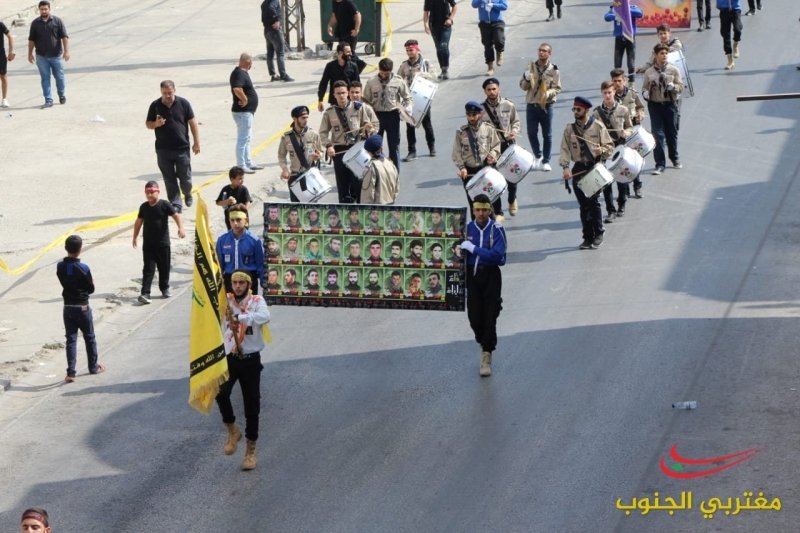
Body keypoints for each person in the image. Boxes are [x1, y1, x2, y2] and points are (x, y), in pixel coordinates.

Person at [217, 270, 270, 471]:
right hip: (231, 358)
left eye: (241, 283)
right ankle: (232, 429)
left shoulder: (257, 301)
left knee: (252, 405)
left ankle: (250, 449)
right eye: (235, 283)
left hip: (250, 360)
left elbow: (265, 316)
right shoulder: (226, 301)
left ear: (248, 284)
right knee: (221, 392)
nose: (238, 286)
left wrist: (241, 317)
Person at [458, 194, 507, 377]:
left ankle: (487, 354)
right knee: (474, 317)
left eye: (484, 210)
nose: (480, 213)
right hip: (472, 276)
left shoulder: (496, 229)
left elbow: (498, 256)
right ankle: (482, 339)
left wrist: (474, 249)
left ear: (489, 210)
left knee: (490, 315)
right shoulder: (466, 229)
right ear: (473, 210)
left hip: (491, 275)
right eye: (477, 210)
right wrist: (459, 250)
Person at [559, 96, 614, 249]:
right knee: (583, 206)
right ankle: (587, 237)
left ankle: (599, 233)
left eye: (579, 109)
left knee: (593, 202)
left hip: (593, 167)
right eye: (574, 109)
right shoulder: (569, 129)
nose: (575, 112)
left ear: (586, 110)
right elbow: (564, 149)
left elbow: (610, 147)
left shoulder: (598, 126)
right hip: (578, 168)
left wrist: (602, 150)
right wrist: (565, 167)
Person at [145, 80, 201, 212]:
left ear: (174, 90)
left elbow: (192, 123)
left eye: (170, 93)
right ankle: (176, 203)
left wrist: (196, 142)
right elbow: (148, 124)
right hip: (163, 149)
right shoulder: (155, 105)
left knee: (185, 178)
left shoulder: (184, 103)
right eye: (164, 93)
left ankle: (187, 193)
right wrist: (156, 124)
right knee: (169, 179)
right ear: (161, 92)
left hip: (182, 148)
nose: (167, 96)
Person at [57, 235, 105, 383]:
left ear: (66, 248)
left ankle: (71, 372)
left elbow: (65, 279)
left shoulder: (60, 266)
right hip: (82, 306)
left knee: (71, 339)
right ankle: (93, 366)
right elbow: (91, 289)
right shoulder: (84, 268)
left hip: (68, 307)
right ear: (80, 250)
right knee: (89, 337)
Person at [319, 80, 376, 203]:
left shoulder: (359, 108)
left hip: (357, 150)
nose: (341, 96)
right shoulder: (329, 113)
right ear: (334, 95)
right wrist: (328, 146)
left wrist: (369, 129)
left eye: (343, 93)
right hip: (339, 151)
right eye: (338, 93)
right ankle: (345, 211)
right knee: (343, 186)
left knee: (359, 184)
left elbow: (368, 126)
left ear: (348, 93)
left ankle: (360, 209)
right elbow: (323, 133)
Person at [132, 181, 186, 303]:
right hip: (148, 244)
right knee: (148, 269)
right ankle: (145, 293)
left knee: (164, 267)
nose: (149, 195)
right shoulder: (144, 207)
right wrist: (135, 237)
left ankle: (164, 288)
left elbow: (176, 215)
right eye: (147, 192)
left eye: (152, 192)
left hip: (163, 244)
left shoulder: (164, 204)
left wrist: (181, 228)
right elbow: (139, 221)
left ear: (158, 192)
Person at [452, 100, 503, 218]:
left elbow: (496, 145)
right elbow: (456, 153)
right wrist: (462, 167)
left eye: (474, 115)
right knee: (474, 204)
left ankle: (495, 220)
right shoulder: (461, 132)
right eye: (469, 115)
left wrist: (493, 155)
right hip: (469, 172)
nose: (471, 118)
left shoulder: (488, 128)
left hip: (485, 169)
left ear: (480, 114)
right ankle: (477, 226)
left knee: (491, 199)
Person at [481, 77, 521, 216]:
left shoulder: (508, 105)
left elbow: (515, 121)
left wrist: (514, 131)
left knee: (512, 176)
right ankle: (498, 212)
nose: (492, 92)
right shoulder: (480, 110)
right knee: (492, 180)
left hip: (507, 145)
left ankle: (512, 199)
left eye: (494, 89)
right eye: (489, 90)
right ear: (485, 91)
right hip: (491, 149)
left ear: (499, 89)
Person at [593, 80, 633, 220]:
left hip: (619, 147)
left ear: (614, 92)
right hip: (605, 149)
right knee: (606, 181)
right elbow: (593, 132)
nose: (607, 95)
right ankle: (611, 210)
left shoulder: (623, 110)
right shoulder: (596, 113)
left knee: (621, 178)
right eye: (605, 93)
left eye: (610, 92)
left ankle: (621, 204)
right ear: (601, 93)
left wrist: (626, 132)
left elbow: (630, 127)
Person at [363, 58, 412, 171]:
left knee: (394, 146)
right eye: (382, 73)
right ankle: (377, 171)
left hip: (392, 116)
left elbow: (407, 97)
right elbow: (366, 100)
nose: (384, 75)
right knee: (375, 146)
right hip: (376, 116)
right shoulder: (371, 82)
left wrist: (408, 107)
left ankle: (395, 173)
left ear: (391, 71)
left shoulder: (398, 81)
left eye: (387, 73)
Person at [641, 43, 683, 175]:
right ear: (655, 55)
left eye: (666, 53)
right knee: (657, 135)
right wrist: (645, 93)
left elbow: (681, 86)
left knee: (671, 133)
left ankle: (674, 157)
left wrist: (674, 87)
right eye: (661, 53)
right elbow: (644, 87)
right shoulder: (649, 72)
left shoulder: (673, 69)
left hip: (670, 104)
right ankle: (659, 164)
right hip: (655, 105)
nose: (664, 55)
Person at [520, 43, 561, 172]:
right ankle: (538, 155)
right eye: (540, 50)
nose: (541, 53)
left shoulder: (554, 70)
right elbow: (523, 87)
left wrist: (548, 93)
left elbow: (557, 88)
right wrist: (527, 79)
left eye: (544, 51)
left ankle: (546, 161)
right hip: (532, 105)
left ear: (549, 53)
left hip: (546, 106)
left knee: (547, 135)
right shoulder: (531, 67)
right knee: (531, 133)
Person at [397, 39, 436, 160]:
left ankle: (432, 147)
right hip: (409, 98)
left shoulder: (426, 63)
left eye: (411, 50)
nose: (409, 52)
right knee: (410, 125)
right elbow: (398, 79)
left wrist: (422, 74)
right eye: (407, 50)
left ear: (417, 49)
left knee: (426, 123)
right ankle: (412, 151)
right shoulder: (404, 65)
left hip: (423, 97)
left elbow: (434, 76)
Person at [610, 69, 645, 198]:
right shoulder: (610, 97)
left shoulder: (632, 94)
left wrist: (640, 115)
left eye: (619, 80)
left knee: (634, 161)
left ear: (624, 80)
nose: (617, 83)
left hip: (632, 132)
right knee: (621, 164)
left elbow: (641, 107)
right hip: (619, 135)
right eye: (614, 81)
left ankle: (637, 186)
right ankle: (624, 191)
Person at [27, 1, 68, 108]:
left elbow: (64, 36)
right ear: (39, 10)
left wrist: (66, 51)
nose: (44, 11)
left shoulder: (57, 21)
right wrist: (29, 53)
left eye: (46, 9)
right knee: (45, 78)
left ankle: (61, 94)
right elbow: (31, 40)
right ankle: (48, 100)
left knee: (59, 77)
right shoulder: (35, 23)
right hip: (41, 57)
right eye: (42, 9)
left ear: (49, 9)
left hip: (56, 56)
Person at [216, 206, 265, 294]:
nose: (235, 223)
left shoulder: (254, 241)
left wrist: (264, 284)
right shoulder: (222, 240)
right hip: (229, 281)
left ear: (246, 220)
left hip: (249, 280)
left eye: (238, 220)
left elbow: (260, 265)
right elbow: (219, 266)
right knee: (230, 303)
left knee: (248, 303)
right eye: (232, 220)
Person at [278, 105, 324, 202]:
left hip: (310, 175)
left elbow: (321, 151)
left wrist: (319, 155)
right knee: (296, 208)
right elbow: (281, 156)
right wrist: (284, 169)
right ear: (295, 119)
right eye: (303, 118)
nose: (306, 120)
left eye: (307, 117)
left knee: (312, 208)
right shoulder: (287, 137)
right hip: (295, 176)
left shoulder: (313, 134)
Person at [230, 53, 263, 174]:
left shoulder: (242, 73)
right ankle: (241, 165)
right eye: (251, 62)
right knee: (243, 139)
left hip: (246, 112)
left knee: (247, 138)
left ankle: (248, 162)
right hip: (243, 112)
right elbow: (237, 88)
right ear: (248, 62)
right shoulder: (239, 73)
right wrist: (245, 99)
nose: (251, 64)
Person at [317, 42, 366, 110]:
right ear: (340, 53)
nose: (351, 54)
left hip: (350, 101)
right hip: (335, 101)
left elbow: (357, 84)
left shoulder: (353, 66)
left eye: (350, 51)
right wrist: (320, 100)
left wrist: (359, 99)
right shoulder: (330, 66)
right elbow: (323, 83)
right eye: (348, 52)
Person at [604, 2, 643, 83]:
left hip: (630, 39)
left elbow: (640, 14)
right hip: (619, 39)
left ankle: (631, 83)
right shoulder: (615, 9)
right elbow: (607, 17)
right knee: (617, 65)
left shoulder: (632, 7)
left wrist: (625, 10)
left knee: (631, 65)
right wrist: (617, 14)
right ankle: (617, 82)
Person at [361, 134, 400, 205]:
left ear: (369, 153)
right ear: (381, 149)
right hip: (391, 205)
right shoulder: (390, 163)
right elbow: (396, 188)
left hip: (378, 208)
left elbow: (367, 195)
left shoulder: (371, 168)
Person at [423, 0, 458, 80]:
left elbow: (455, 6)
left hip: (445, 25)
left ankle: (445, 69)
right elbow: (426, 12)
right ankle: (442, 69)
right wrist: (425, 24)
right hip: (434, 26)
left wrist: (450, 18)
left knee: (443, 46)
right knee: (438, 48)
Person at [261, 0, 294, 82]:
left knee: (270, 53)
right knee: (280, 53)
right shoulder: (274, 1)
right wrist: (277, 20)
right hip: (274, 30)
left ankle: (273, 75)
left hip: (267, 30)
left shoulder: (264, 3)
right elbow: (271, 8)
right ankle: (283, 75)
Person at [472, 0, 507, 76]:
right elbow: (474, 4)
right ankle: (490, 67)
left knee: (499, 40)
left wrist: (493, 5)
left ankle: (499, 51)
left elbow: (504, 6)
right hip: (484, 23)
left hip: (497, 22)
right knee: (487, 45)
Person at [718, 0, 743, 70]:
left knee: (738, 29)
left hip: (735, 9)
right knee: (725, 35)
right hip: (724, 9)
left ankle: (735, 44)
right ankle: (730, 61)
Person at [0, 20, 15, 108]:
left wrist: (10, 52)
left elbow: (10, 36)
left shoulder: (0, 24)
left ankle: (4, 99)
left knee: (3, 76)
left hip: (0, 55)